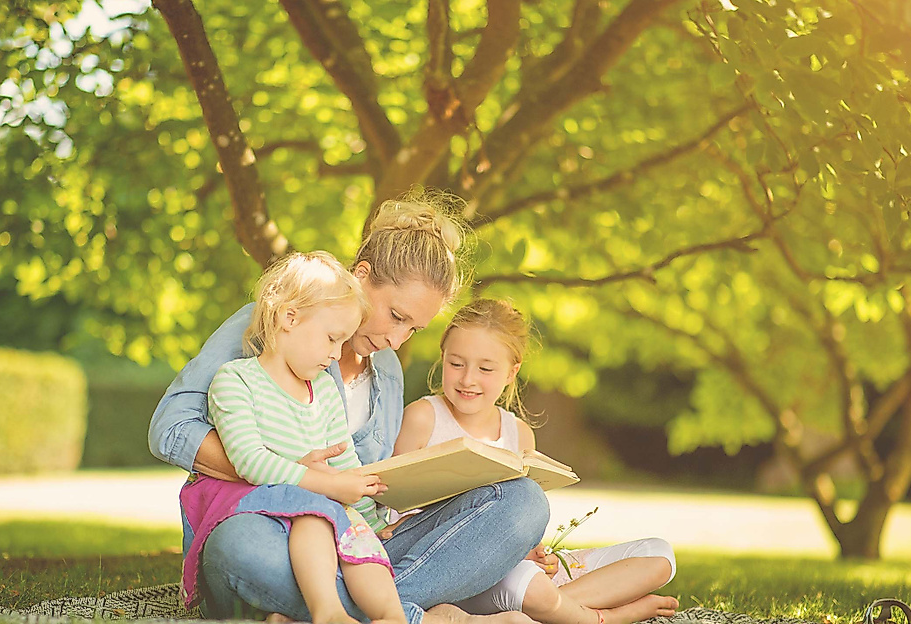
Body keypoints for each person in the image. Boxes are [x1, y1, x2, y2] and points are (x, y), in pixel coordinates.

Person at [148, 188, 549, 624]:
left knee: (523, 501)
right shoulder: (271, 322)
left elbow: (363, 480)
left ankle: (338, 610)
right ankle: (404, 613)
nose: (396, 340)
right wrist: (294, 475)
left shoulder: (388, 369)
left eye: (414, 330)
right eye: (396, 316)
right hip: (272, 527)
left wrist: (403, 513)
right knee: (239, 546)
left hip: (355, 541)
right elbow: (171, 428)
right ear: (362, 276)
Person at [392, 299, 679, 624]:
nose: (468, 379)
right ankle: (602, 617)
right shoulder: (423, 417)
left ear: (511, 372)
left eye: (485, 369)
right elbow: (394, 510)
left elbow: (521, 524)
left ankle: (552, 608)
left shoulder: (519, 433)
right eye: (456, 364)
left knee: (659, 555)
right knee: (529, 585)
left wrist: (535, 553)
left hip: (512, 571)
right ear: (443, 358)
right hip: (451, 569)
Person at [181, 251, 402, 624]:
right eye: (332, 339)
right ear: (289, 318)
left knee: (357, 535)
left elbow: (345, 464)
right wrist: (327, 485)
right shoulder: (236, 381)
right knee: (314, 513)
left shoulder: (324, 391)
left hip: (317, 525)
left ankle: (393, 616)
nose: (336, 355)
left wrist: (374, 521)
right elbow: (249, 461)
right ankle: (328, 613)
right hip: (261, 519)